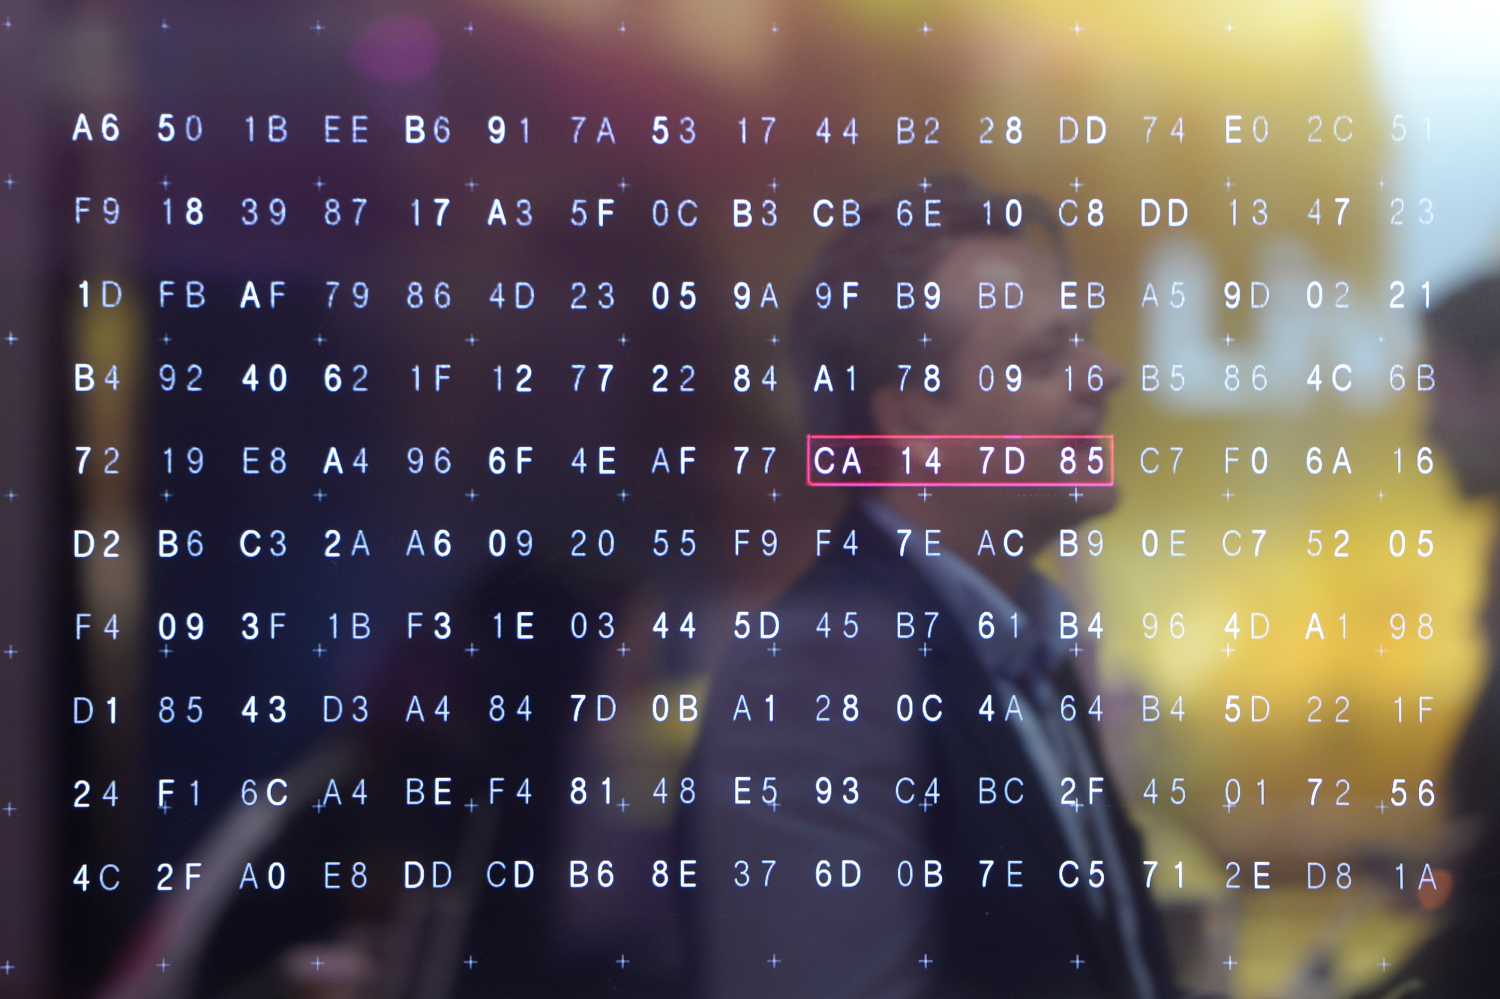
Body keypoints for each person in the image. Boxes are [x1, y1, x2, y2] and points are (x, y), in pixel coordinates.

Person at [679, 177, 1177, 999]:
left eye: (1083, 343)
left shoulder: (1023, 648)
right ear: (913, 417)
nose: (1106, 373)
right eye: (1046, 357)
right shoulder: (813, 680)